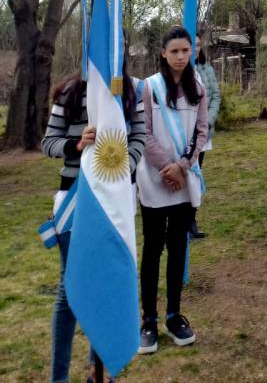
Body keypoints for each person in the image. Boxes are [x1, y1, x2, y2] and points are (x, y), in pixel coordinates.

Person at [42, 60, 145, 383]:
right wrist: (76, 144)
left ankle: (97, 370)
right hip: (75, 201)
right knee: (69, 291)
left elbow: (139, 136)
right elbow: (49, 142)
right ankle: (58, 377)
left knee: (109, 283)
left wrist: (121, 169)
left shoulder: (131, 92)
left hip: (114, 203)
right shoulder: (70, 93)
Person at [136, 25, 208, 354]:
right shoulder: (148, 88)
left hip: (184, 178)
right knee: (153, 248)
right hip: (154, 179)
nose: (180, 56)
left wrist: (182, 166)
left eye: (185, 50)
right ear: (163, 53)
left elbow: (202, 131)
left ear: (191, 51)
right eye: (174, 51)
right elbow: (143, 131)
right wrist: (166, 167)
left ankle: (174, 314)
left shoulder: (198, 87)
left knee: (178, 246)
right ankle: (148, 319)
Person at [192, 35, 221, 239]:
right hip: (180, 134)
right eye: (191, 45)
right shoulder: (173, 72)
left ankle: (191, 221)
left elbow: (215, 96)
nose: (195, 49)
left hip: (202, 132)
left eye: (198, 45)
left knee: (195, 176)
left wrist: (208, 121)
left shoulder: (207, 70)